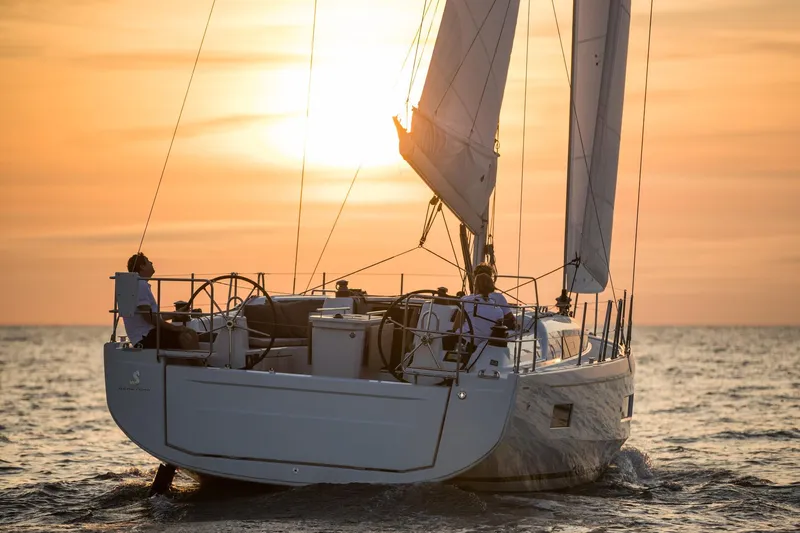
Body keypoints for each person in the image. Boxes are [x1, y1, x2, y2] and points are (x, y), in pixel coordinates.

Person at [122, 253, 199, 350]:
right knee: (189, 335)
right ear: (142, 267)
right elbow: (149, 318)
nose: (151, 263)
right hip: (145, 337)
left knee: (187, 334)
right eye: (148, 262)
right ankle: (200, 364)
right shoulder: (140, 284)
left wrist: (176, 314)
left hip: (146, 335)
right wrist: (174, 328)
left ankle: (192, 363)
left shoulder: (139, 284)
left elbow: (155, 316)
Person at [452, 273, 505, 343]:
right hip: (484, 345)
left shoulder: (466, 301)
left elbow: (456, 327)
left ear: (475, 286)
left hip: (466, 341)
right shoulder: (498, 310)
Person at [473, 262, 517, 329]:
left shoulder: (468, 299)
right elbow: (511, 318)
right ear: (490, 279)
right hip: (491, 332)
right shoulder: (498, 298)